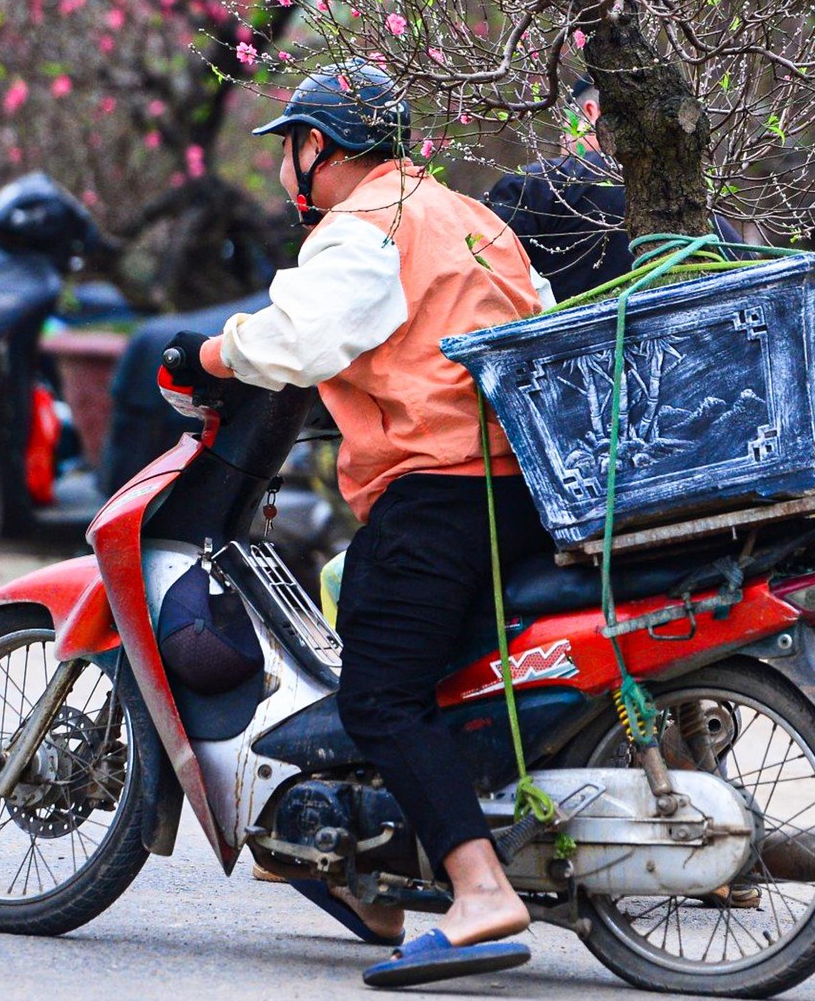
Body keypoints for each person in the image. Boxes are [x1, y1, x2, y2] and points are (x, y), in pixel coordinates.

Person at [194, 63, 555, 987]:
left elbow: (302, 340)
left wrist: (213, 351)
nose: (285, 171)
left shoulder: (366, 226)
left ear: (321, 148)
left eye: (289, 149)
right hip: (520, 489)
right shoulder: (471, 217)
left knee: (379, 697)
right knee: (427, 676)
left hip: (439, 489)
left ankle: (479, 892)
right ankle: (384, 878)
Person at [487, 76, 744, 303]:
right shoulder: (692, 198)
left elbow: (477, 262)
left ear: (591, 112)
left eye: (564, 132)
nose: (561, 145)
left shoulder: (540, 185)